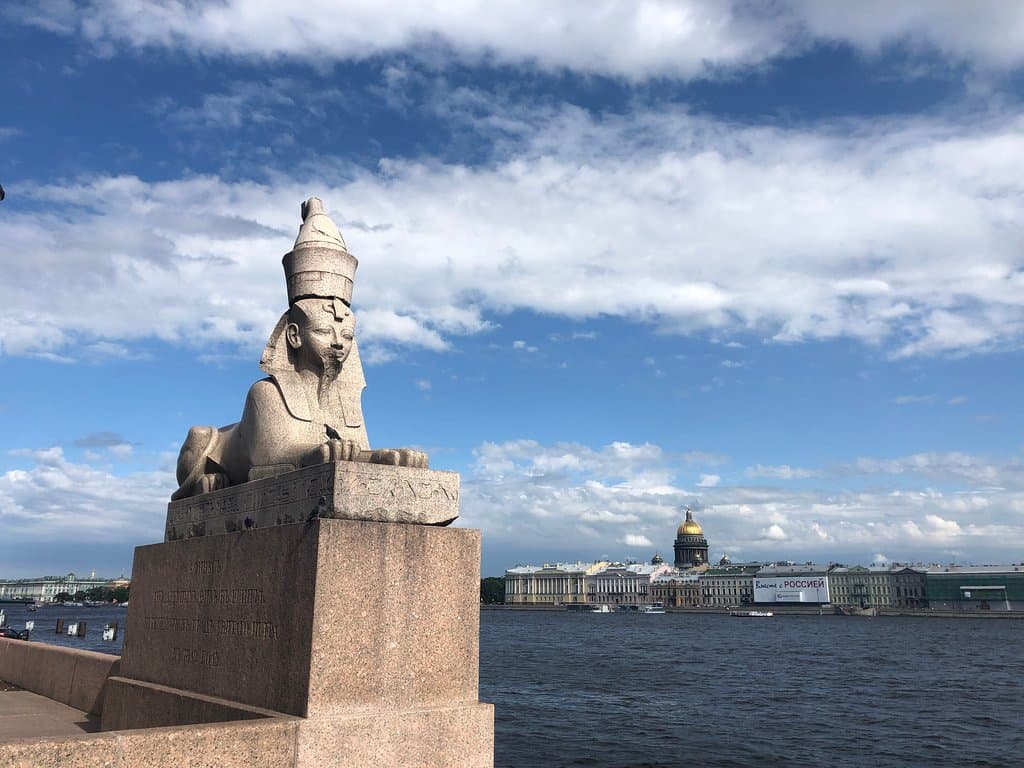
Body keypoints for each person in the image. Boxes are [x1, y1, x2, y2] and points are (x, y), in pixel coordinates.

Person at [171, 198, 426, 500]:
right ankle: (205, 479)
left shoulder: (345, 398)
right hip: (220, 455)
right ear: (293, 335)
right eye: (322, 331)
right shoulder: (264, 393)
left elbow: (353, 452)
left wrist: (382, 458)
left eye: (347, 335)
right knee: (200, 435)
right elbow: (266, 462)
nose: (338, 343)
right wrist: (315, 456)